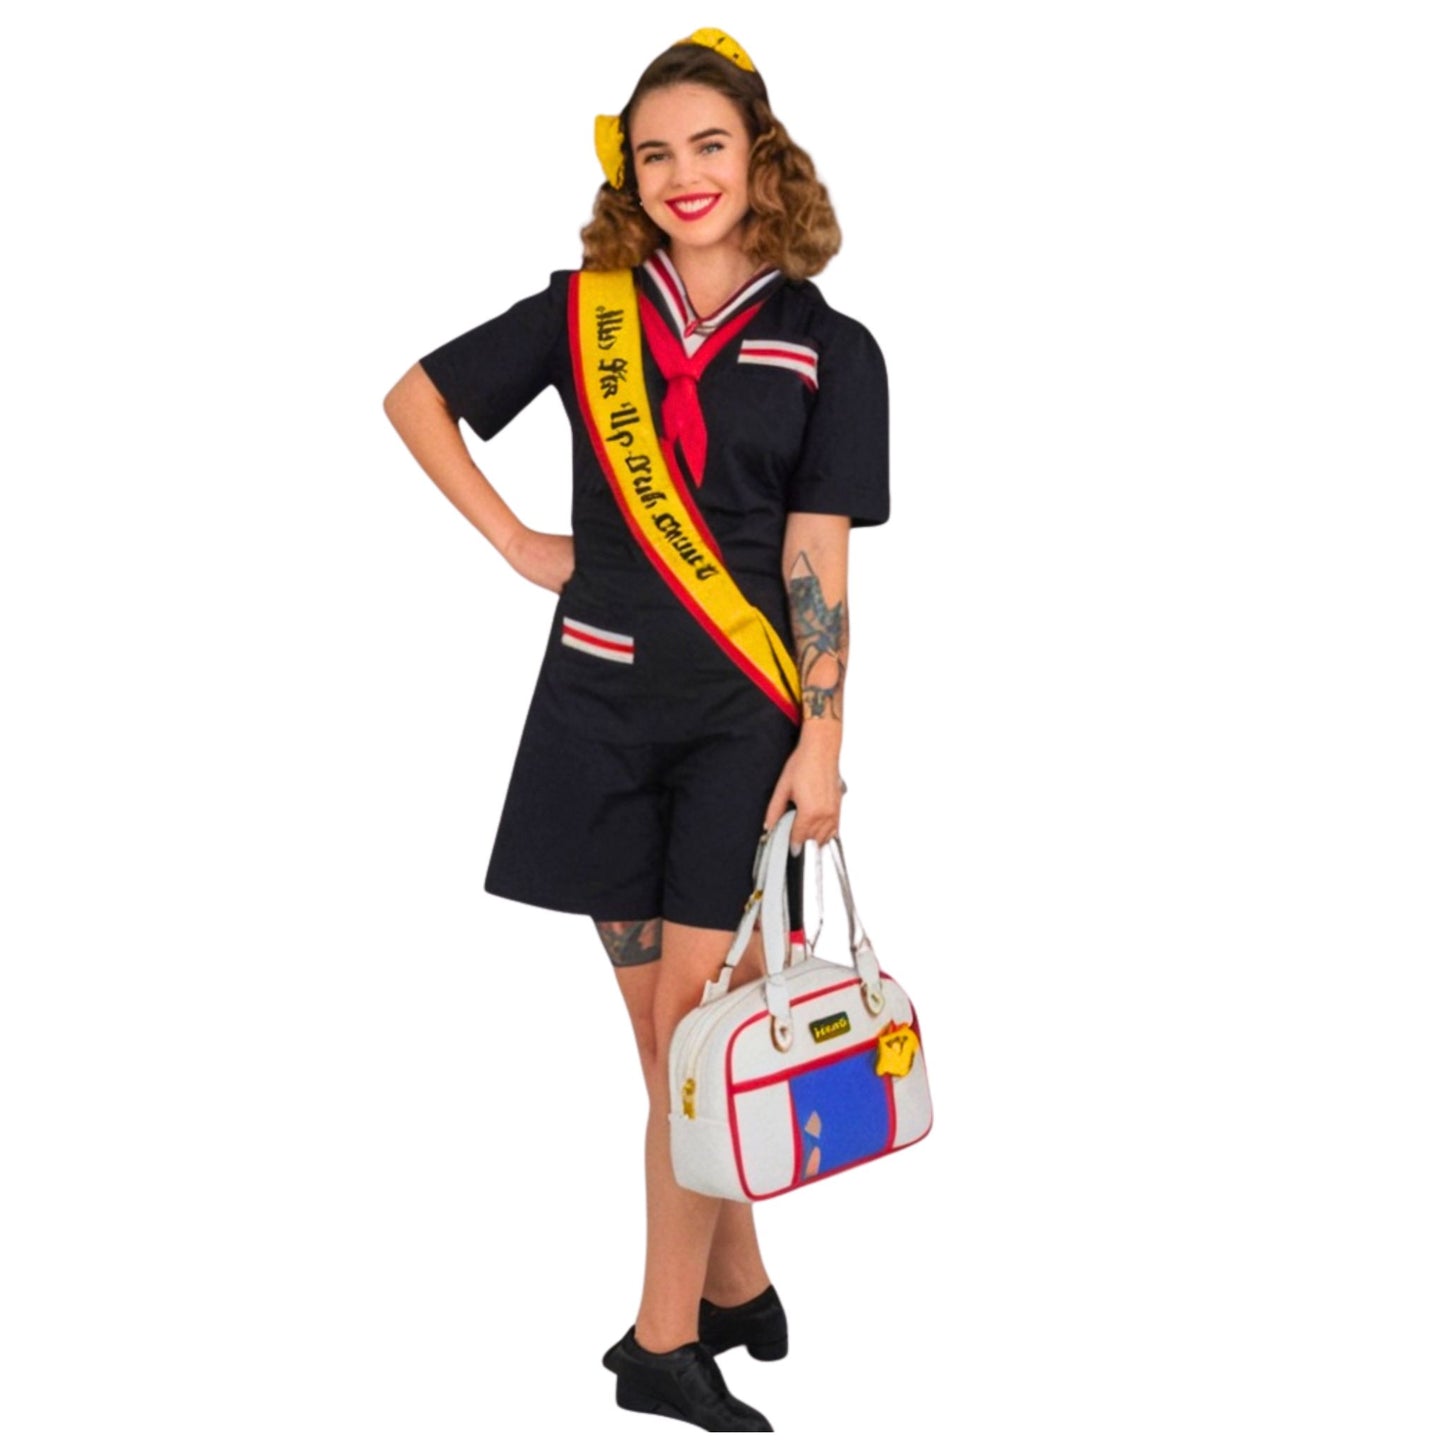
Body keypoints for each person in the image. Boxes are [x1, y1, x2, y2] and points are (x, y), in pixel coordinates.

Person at [383, 28, 888, 1432]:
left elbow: (818, 552)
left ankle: (657, 1343)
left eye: (708, 145)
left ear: (761, 157)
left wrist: (824, 737)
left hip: (741, 722)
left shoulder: (829, 346)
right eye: (654, 152)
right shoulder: (585, 312)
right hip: (595, 710)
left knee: (692, 1033)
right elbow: (417, 398)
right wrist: (513, 543)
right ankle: (735, 1281)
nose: (682, 174)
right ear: (631, 173)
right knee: (677, 1048)